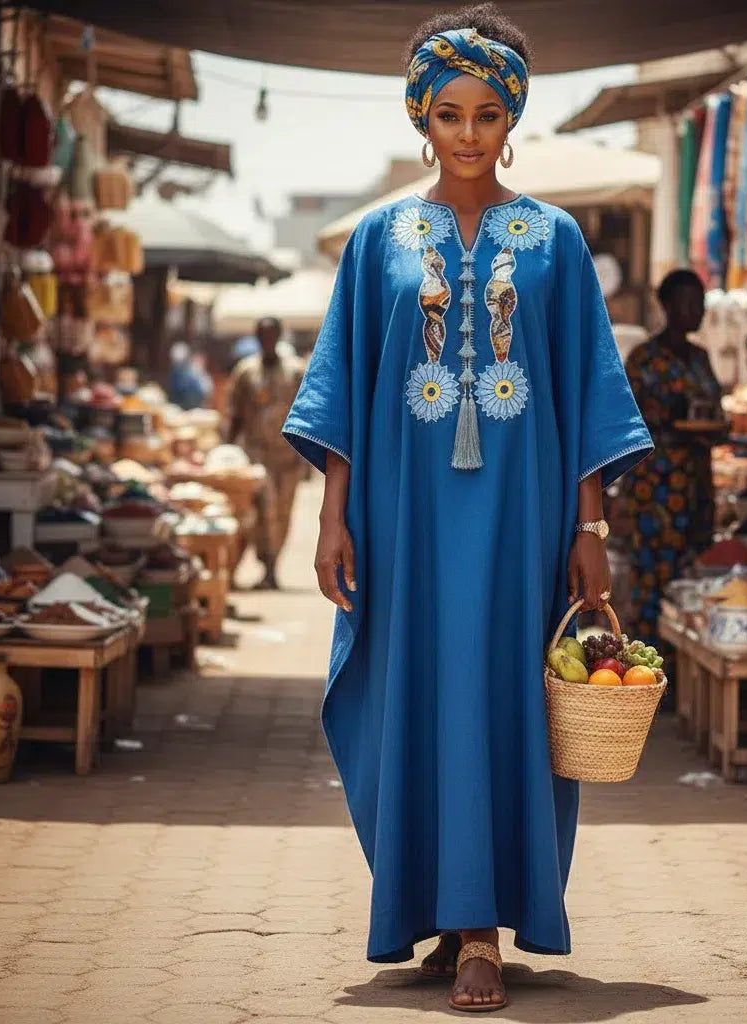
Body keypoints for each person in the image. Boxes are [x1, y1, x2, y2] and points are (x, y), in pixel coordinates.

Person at [281, 4, 652, 1013]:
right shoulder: (376, 239)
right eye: (449, 113)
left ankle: (484, 931)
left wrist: (589, 528)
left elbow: (582, 391)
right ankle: (445, 912)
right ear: (420, 118)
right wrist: (332, 516)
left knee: (496, 695)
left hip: (521, 519)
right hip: (405, 518)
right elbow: (346, 387)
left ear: (513, 117)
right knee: (416, 693)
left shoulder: (556, 241)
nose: (470, 134)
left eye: (490, 113)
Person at [617, 269, 722, 646]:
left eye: (701, 303)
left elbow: (714, 414)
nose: (696, 311)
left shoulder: (701, 359)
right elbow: (624, 421)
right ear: (667, 305)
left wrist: (712, 426)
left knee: (692, 579)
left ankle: (688, 673)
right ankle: (651, 673)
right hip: (655, 490)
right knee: (652, 582)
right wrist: (670, 422)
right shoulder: (644, 359)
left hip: (696, 485)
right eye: (688, 303)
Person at [228, 316, 307, 590]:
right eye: (263, 335)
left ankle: (273, 567)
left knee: (283, 513)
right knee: (262, 513)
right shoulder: (246, 371)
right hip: (257, 455)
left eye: (272, 335)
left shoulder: (295, 371)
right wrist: (228, 447)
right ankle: (265, 563)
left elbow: (308, 412)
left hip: (287, 457)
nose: (268, 340)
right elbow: (235, 412)